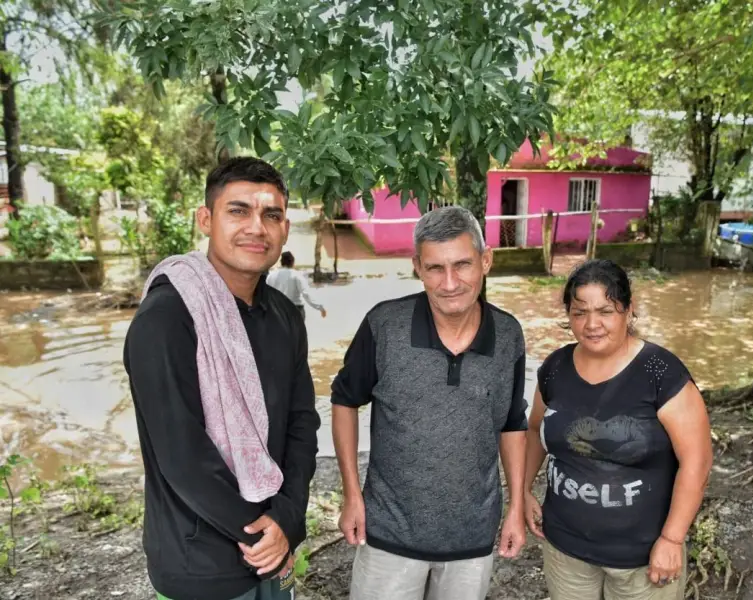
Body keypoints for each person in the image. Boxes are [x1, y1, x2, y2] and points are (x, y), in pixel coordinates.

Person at [124, 157, 321, 600]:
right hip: (199, 563)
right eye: (238, 211)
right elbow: (181, 456)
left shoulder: (285, 316)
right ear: (205, 219)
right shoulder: (167, 318)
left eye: (271, 215)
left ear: (284, 229)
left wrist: (287, 519)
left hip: (275, 549)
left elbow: (301, 423)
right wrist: (260, 536)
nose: (257, 227)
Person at [330, 205, 529, 600]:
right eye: (435, 268)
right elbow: (343, 401)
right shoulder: (384, 324)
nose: (450, 282)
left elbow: (512, 423)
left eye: (462, 265)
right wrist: (352, 495)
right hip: (387, 532)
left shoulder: (508, 334)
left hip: (472, 537)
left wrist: (516, 508)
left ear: (485, 260)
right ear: (417, 267)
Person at [523, 259, 713, 600]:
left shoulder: (660, 373)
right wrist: (523, 490)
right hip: (565, 549)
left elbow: (696, 461)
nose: (591, 324)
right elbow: (535, 429)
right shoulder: (555, 368)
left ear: (628, 310)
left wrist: (672, 538)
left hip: (642, 558)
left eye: (605, 311)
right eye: (579, 312)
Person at [267, 251, 327, 321]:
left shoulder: (271, 276)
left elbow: (266, 295)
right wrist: (320, 307)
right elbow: (306, 294)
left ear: (281, 262)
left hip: (277, 310)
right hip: (295, 310)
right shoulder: (297, 275)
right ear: (292, 262)